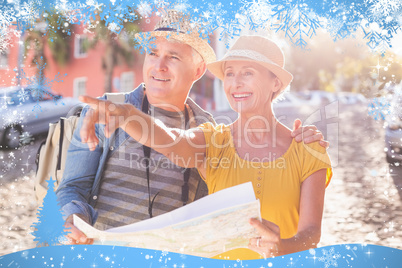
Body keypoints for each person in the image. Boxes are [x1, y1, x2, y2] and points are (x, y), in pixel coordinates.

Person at [58, 11, 328, 246]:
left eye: (172, 57)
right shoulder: (107, 110)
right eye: (152, 53)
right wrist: (75, 222)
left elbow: (309, 234)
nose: (158, 65)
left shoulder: (207, 127)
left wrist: (282, 247)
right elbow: (74, 186)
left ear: (198, 70)